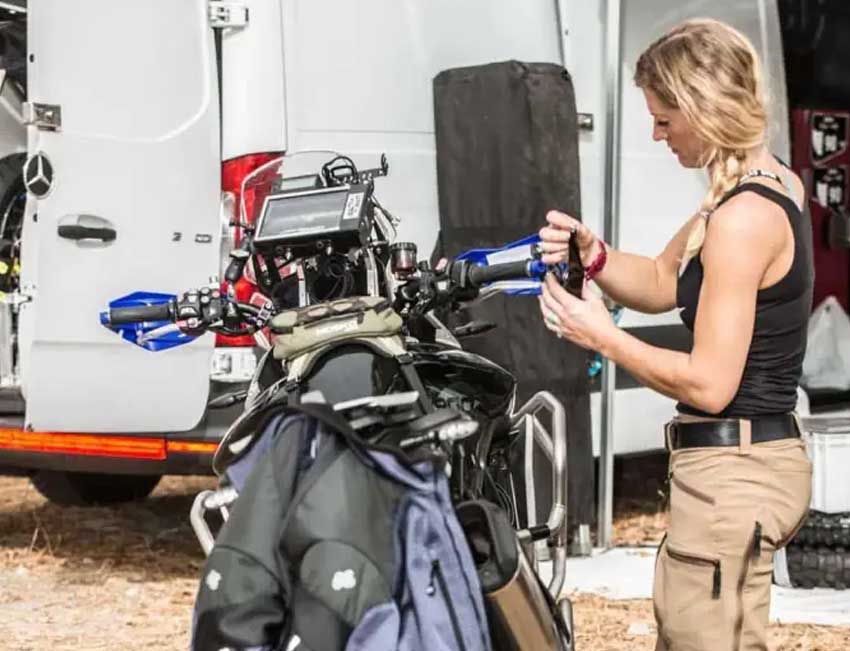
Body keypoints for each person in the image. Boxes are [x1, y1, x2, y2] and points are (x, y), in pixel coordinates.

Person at [537, 18, 813, 651]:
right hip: (740, 469)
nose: (656, 135)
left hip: (735, 473)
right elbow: (665, 278)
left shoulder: (741, 218)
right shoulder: (755, 189)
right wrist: (596, 254)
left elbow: (712, 385)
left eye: (665, 119)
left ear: (704, 108)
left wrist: (602, 337)